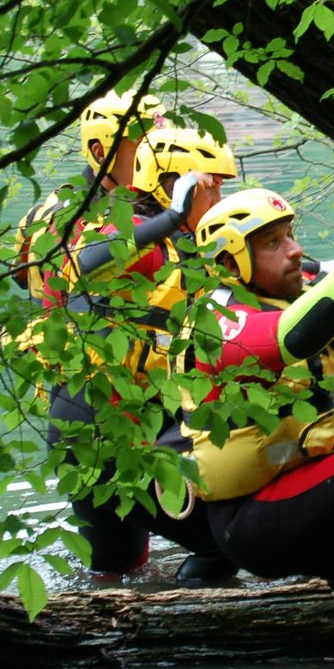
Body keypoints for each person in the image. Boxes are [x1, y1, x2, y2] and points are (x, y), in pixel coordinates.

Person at [168, 189, 334, 605]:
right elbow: (291, 337)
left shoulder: (303, 285)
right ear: (228, 262)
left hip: (322, 490)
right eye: (273, 243)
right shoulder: (215, 323)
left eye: (290, 234)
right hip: (255, 518)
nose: (294, 250)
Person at [47, 123, 238, 577]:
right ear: (174, 186)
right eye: (211, 188)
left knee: (118, 571)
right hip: (102, 435)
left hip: (103, 433)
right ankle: (201, 635)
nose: (220, 201)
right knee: (226, 547)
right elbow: (86, 261)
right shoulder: (134, 233)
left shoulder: (190, 247)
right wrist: (173, 216)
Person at [13, 89, 166, 308]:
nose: (160, 160)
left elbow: (20, 277)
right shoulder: (102, 226)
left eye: (162, 148)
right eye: (144, 148)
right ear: (100, 153)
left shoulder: (44, 210)